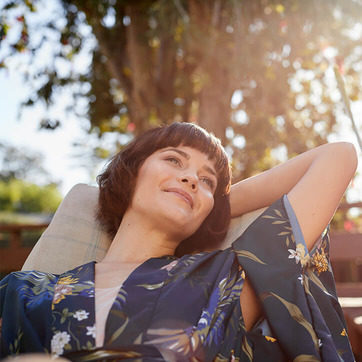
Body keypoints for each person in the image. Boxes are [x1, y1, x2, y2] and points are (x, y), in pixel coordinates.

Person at [0, 122, 358, 361]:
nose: (190, 178)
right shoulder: (22, 291)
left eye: (206, 180)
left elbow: (337, 156)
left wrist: (215, 207)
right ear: (132, 171)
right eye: (174, 160)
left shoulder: (225, 278)